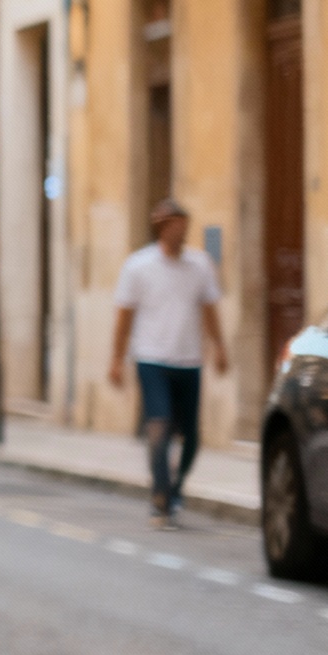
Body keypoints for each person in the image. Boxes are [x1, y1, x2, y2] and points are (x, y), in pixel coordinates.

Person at [108, 199, 228, 529]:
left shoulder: (200, 264)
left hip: (189, 359)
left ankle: (175, 488)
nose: (182, 231)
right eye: (175, 225)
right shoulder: (138, 266)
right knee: (159, 426)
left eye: (184, 224)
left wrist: (219, 347)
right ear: (162, 227)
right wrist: (117, 359)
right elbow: (124, 317)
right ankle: (160, 496)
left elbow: (210, 309)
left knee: (192, 436)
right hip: (151, 358)